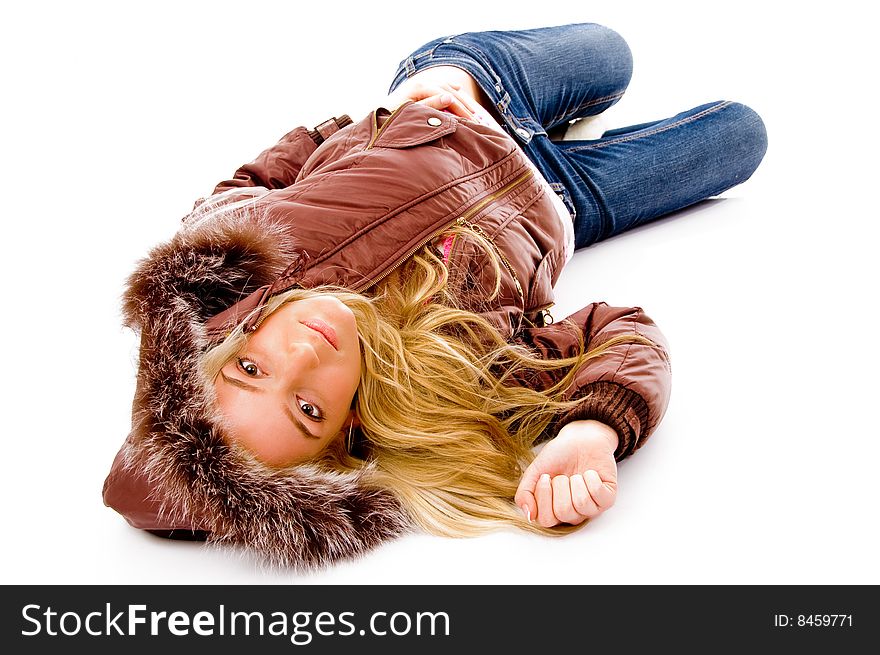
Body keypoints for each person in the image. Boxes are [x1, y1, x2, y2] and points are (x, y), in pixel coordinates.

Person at [103, 23, 767, 569]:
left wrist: (385, 116)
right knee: (743, 135)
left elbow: (266, 170)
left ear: (230, 341)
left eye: (253, 370)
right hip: (564, 201)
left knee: (612, 55)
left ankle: (462, 85)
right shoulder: (452, 377)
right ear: (345, 429)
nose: (304, 353)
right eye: (307, 407)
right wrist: (593, 430)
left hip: (466, 96)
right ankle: (560, 137)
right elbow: (622, 331)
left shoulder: (232, 256)